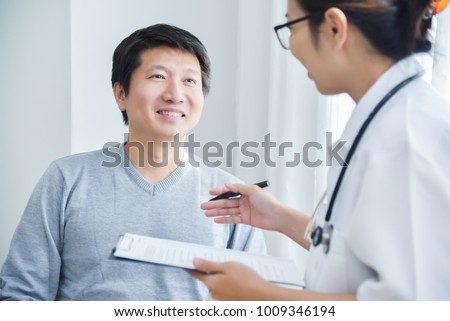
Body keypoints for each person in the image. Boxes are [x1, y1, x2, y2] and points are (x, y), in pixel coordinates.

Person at [188, 0, 450, 300]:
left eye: (291, 26)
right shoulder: (382, 118)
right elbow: (354, 253)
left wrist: (259, 295)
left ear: (334, 27)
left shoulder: (408, 137)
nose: (292, 47)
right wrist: (278, 216)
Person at [0, 24, 266, 300]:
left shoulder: (232, 194)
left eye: (190, 81)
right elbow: (21, 296)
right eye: (158, 76)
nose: (175, 94)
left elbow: (256, 302)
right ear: (121, 94)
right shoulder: (66, 179)